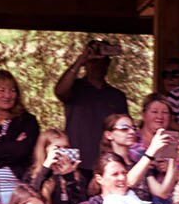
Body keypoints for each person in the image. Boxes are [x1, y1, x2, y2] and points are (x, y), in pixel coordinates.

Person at [54, 40, 129, 171]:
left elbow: (125, 132)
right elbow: (59, 91)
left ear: (108, 64)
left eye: (103, 61)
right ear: (85, 64)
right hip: (75, 163)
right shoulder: (74, 88)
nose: (98, 65)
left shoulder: (117, 96)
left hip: (106, 165)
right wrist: (81, 60)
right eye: (93, 61)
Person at [0, 69, 40, 204]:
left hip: (17, 190)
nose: (7, 95)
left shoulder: (27, 121)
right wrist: (12, 146)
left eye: (12, 90)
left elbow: (22, 151)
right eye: (1, 90)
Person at [28, 129, 88, 204]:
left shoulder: (77, 177)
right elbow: (30, 200)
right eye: (57, 148)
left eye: (66, 148)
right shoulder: (33, 175)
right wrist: (45, 169)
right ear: (45, 150)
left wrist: (69, 177)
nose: (63, 152)